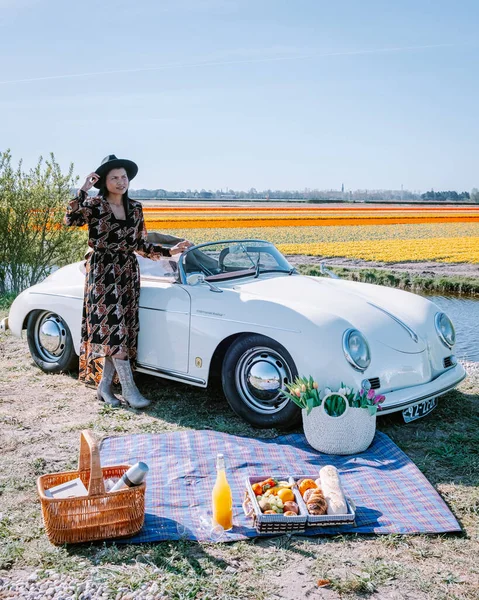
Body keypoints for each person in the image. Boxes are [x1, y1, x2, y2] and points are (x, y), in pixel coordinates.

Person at [65, 154, 192, 408]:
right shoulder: (94, 205)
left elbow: (140, 245)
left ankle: (104, 389)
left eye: (124, 177)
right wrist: (82, 190)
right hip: (102, 272)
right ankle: (130, 391)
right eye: (114, 178)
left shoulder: (135, 208)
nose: (121, 182)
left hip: (127, 273)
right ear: (104, 181)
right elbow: (70, 220)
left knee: (121, 332)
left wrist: (171, 251)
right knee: (115, 331)